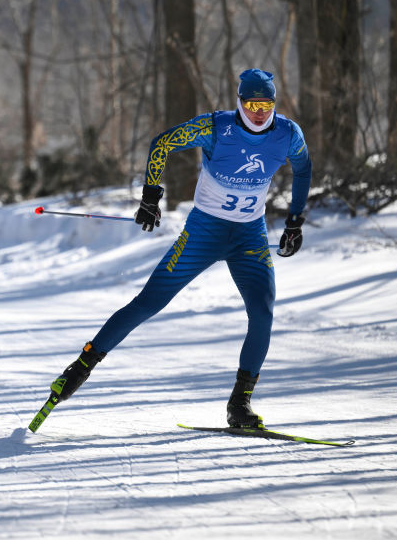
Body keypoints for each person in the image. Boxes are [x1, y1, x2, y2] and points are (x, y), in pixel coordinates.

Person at [36, 68, 311, 430]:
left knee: (262, 312)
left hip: (250, 237)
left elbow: (304, 169)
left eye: (267, 104)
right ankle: (80, 368)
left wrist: (294, 220)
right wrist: (151, 196)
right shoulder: (215, 127)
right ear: (240, 102)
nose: (260, 111)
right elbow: (162, 142)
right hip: (204, 232)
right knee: (150, 302)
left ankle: (239, 405)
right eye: (252, 103)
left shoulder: (288, 134)